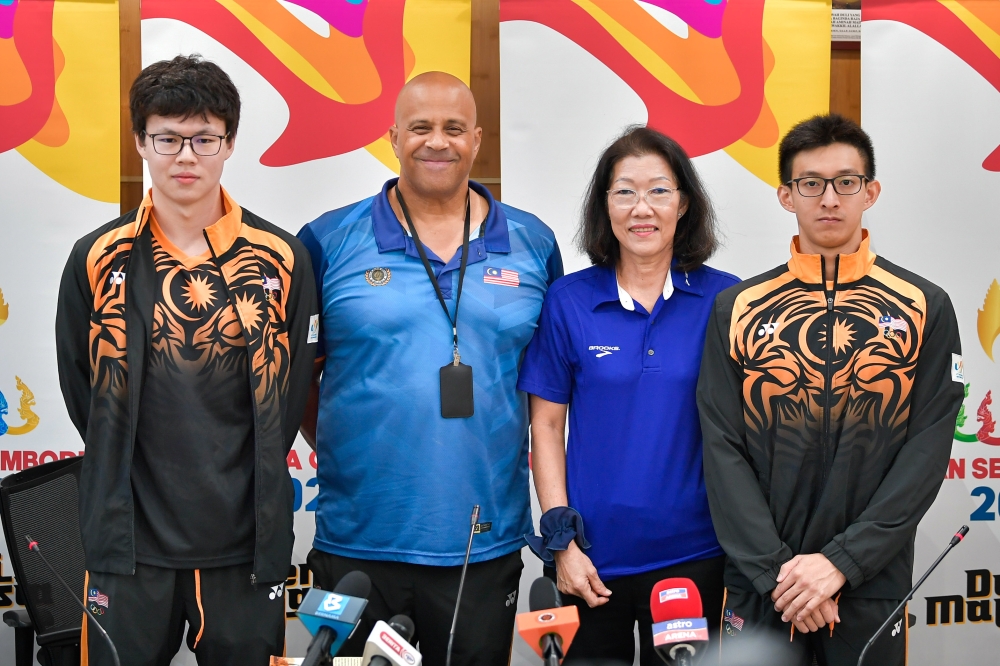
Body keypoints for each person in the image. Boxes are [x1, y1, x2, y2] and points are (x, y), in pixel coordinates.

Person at [56, 55, 318, 666]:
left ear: (228, 144)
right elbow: (82, 389)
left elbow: (291, 387)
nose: (185, 156)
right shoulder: (97, 257)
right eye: (167, 138)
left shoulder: (280, 258)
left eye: (204, 138)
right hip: (128, 547)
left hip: (244, 548)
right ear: (141, 142)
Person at [297, 71, 562, 664]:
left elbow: (551, 392)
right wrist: (354, 445)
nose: (436, 142)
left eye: (453, 128)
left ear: (477, 139)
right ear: (393, 137)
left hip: (482, 541)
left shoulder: (534, 243)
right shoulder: (326, 240)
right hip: (359, 540)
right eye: (420, 127)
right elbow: (297, 384)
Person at [698, 114, 964, 665]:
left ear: (871, 192)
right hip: (762, 583)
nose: (828, 198)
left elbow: (926, 451)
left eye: (846, 182)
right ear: (785, 196)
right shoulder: (736, 309)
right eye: (810, 183)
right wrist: (779, 573)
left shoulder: (925, 305)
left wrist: (841, 562)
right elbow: (721, 448)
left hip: (871, 580)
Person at [517, 126, 737, 665]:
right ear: (605, 206)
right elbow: (545, 427)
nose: (643, 208)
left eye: (659, 190)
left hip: (695, 558)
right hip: (590, 561)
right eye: (625, 191)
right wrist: (561, 541)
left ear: (684, 204)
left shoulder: (726, 300)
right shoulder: (568, 301)